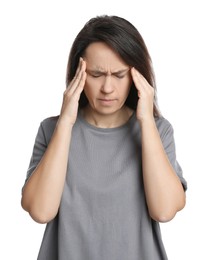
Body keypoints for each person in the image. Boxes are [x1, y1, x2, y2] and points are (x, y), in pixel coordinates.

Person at [21, 15, 187, 260]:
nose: (107, 88)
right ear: (79, 73)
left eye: (119, 75)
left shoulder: (158, 131)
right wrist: (66, 122)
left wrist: (146, 122)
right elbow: (40, 212)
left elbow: (164, 211)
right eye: (96, 74)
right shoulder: (52, 129)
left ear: (136, 76)